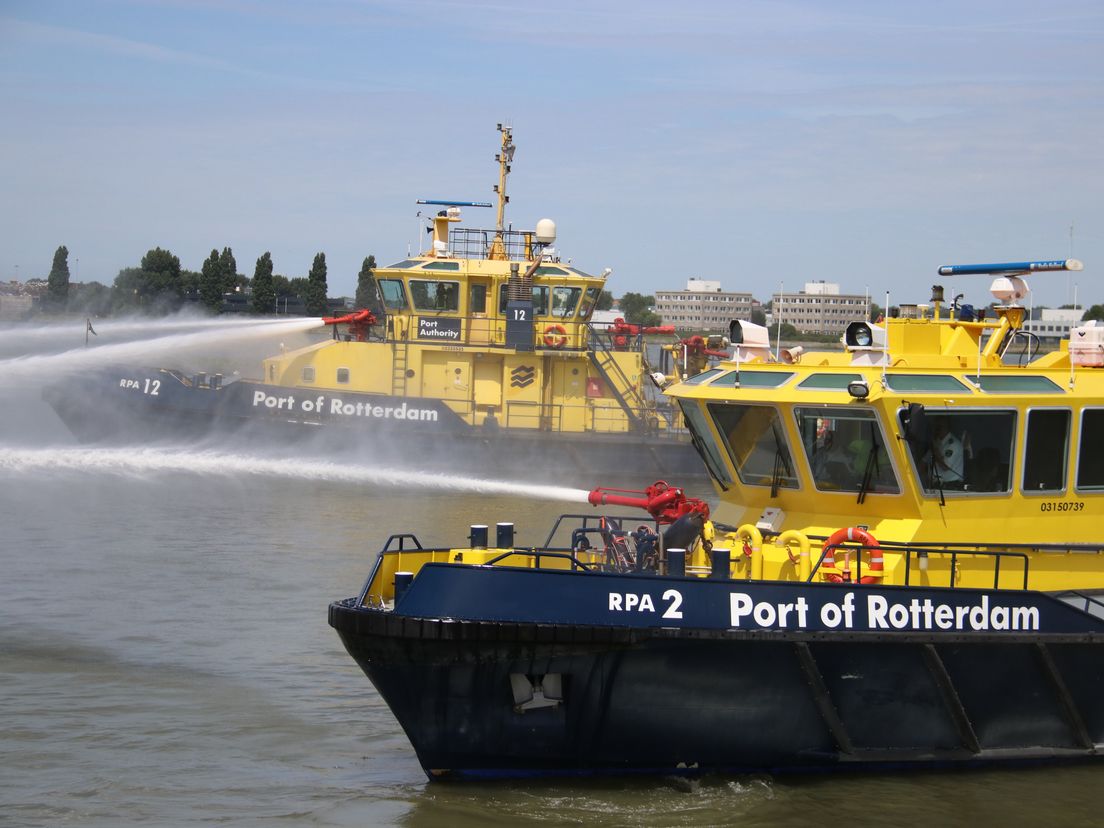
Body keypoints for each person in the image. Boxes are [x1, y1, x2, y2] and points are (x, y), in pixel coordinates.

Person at [931, 419, 964, 484]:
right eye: (935, 427)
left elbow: (945, 466)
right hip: (936, 485)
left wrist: (935, 449)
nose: (936, 430)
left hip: (951, 486)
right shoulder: (938, 442)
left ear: (947, 427)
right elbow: (924, 463)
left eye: (939, 427)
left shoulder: (953, 444)